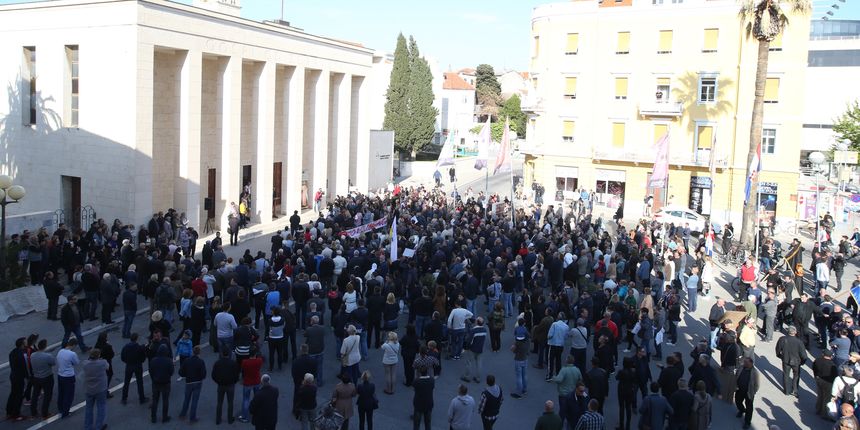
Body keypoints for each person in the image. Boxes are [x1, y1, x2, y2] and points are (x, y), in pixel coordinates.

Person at [775, 326, 808, 397]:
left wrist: (780, 356)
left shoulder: (782, 339)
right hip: (796, 362)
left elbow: (777, 349)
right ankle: (794, 390)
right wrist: (802, 362)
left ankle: (786, 391)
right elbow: (804, 355)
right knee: (796, 376)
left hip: (786, 360)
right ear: (795, 332)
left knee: (786, 375)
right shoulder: (799, 342)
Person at [178, 345, 206, 422]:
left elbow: (180, 372)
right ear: (199, 353)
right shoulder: (201, 362)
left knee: (186, 399)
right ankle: (192, 417)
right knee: (195, 400)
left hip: (189, 382)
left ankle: (183, 414)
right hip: (198, 382)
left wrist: (186, 375)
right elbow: (203, 374)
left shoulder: (187, 360)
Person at [553, 355, 583, 427]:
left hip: (563, 395)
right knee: (571, 412)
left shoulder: (564, 370)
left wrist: (554, 377)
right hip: (573, 395)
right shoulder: (577, 370)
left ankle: (559, 426)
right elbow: (580, 379)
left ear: (567, 361)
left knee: (562, 413)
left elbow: (559, 380)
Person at [82, 348, 109, 430]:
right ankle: (99, 426)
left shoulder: (85, 364)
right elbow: (108, 367)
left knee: (89, 408)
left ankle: (88, 426)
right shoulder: (102, 363)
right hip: (100, 388)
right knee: (101, 406)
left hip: (89, 389)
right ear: (99, 355)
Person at [29, 339, 55, 419]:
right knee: (47, 395)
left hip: (36, 377)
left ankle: (33, 412)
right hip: (47, 377)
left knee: (35, 394)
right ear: (45, 346)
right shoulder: (47, 356)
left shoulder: (32, 355)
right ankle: (45, 413)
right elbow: (53, 363)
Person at [212, 350, 240, 425]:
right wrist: (233, 382)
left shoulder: (217, 363)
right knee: (230, 403)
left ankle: (218, 419)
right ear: (229, 354)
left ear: (222, 354)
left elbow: (213, 375)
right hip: (230, 385)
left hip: (220, 385)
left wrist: (218, 381)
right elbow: (237, 375)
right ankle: (230, 419)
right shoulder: (233, 363)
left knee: (219, 402)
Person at [120, 333, 148, 405]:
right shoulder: (139, 347)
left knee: (126, 382)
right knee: (140, 382)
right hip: (138, 365)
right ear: (136, 338)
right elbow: (143, 357)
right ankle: (142, 398)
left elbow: (122, 357)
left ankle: (124, 398)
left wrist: (127, 361)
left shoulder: (126, 347)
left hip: (129, 365)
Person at [149, 344, 174, 423]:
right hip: (166, 383)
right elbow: (171, 372)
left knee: (155, 400)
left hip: (156, 382)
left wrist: (154, 378)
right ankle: (164, 417)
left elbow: (151, 371)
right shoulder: (169, 361)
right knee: (165, 400)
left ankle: (153, 417)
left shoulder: (153, 360)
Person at [56, 338, 80, 419]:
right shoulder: (72, 354)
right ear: (73, 345)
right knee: (68, 395)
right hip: (68, 376)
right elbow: (77, 362)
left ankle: (60, 408)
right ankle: (65, 412)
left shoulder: (60, 351)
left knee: (61, 393)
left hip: (60, 375)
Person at [734, 357, 759, 429]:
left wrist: (753, 391)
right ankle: (741, 410)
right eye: (744, 362)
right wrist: (735, 385)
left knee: (749, 408)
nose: (744, 364)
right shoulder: (741, 368)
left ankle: (747, 422)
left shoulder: (754, 372)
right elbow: (736, 376)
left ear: (751, 363)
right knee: (737, 402)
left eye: (746, 363)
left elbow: (757, 385)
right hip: (739, 390)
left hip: (748, 392)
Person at [6, 337, 28, 421]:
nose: (27, 343)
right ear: (22, 344)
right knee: (19, 396)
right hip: (19, 377)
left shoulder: (13, 352)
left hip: (13, 376)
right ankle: (16, 414)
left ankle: (9, 411)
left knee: (13, 394)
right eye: (25, 342)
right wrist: (27, 376)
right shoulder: (21, 355)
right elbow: (24, 367)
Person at [239, 350, 263, 423]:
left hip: (247, 382)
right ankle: (258, 414)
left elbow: (243, 371)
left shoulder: (244, 362)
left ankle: (244, 417)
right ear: (255, 354)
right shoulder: (259, 361)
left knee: (246, 399)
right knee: (257, 398)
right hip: (256, 382)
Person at [463, 316, 488, 383]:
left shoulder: (473, 331)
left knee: (469, 363)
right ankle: (478, 378)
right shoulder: (485, 330)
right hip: (480, 349)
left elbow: (469, 341)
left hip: (472, 349)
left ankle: (467, 377)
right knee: (479, 363)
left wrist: (466, 348)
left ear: (477, 322)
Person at [814, 350, 839, 419]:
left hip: (819, 380)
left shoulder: (817, 360)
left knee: (820, 395)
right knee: (826, 398)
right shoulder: (832, 365)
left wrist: (816, 376)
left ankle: (818, 409)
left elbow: (814, 369)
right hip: (828, 383)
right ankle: (824, 413)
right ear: (830, 356)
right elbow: (835, 376)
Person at [413, 366, 435, 430]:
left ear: (420, 373)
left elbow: (414, 388)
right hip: (428, 404)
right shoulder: (431, 380)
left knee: (416, 424)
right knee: (428, 423)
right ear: (427, 372)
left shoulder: (417, 381)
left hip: (418, 404)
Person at [511, 327, 529, 399]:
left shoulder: (517, 343)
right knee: (524, 375)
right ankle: (524, 389)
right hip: (525, 359)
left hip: (518, 360)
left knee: (519, 376)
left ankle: (519, 393)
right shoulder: (527, 342)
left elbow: (512, 349)